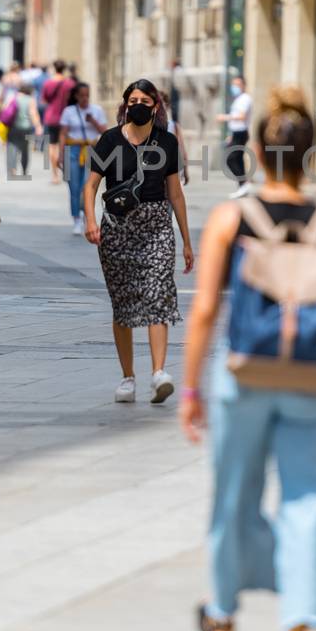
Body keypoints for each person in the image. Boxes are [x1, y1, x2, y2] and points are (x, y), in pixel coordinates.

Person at [179, 85, 316, 631]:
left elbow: (207, 310)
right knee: (306, 502)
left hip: (246, 376)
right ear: (311, 157)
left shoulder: (231, 219)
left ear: (258, 155)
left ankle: (225, 615)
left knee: (234, 495)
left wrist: (190, 389)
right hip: (314, 380)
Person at [82, 79, 194, 405]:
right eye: (133, 99)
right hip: (117, 227)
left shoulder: (167, 142)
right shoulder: (109, 140)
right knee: (124, 303)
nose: (139, 104)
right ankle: (128, 377)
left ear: (156, 106)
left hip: (157, 225)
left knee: (158, 294)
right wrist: (90, 221)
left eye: (145, 99)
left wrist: (186, 240)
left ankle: (159, 374)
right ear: (125, 104)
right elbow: (90, 187)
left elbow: (175, 192)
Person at [60, 82, 108, 236]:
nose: (85, 98)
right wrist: (60, 154)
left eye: (87, 95)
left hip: (91, 150)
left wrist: (93, 121)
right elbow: (63, 133)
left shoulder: (97, 110)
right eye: (82, 95)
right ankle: (76, 219)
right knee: (73, 187)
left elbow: (105, 132)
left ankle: (86, 214)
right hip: (72, 150)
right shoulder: (69, 111)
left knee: (87, 186)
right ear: (76, 96)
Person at [218, 75, 254, 198]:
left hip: (241, 132)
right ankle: (242, 186)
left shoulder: (245, 99)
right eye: (234, 84)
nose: (235, 87)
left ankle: (244, 183)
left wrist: (225, 117)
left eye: (238, 84)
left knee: (231, 158)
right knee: (238, 159)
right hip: (235, 133)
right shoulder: (238, 99)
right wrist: (230, 135)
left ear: (243, 85)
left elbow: (242, 116)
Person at [41, 59, 75, 183]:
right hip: (67, 118)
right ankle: (65, 171)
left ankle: (55, 175)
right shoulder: (70, 83)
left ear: (54, 68)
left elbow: (44, 100)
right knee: (66, 146)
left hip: (51, 118)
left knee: (52, 146)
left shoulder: (48, 83)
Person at [0, 79, 38, 178]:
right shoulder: (30, 99)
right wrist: (38, 126)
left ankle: (12, 169)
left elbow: (4, 109)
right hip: (26, 128)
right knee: (25, 150)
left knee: (12, 147)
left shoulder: (12, 97)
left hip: (13, 127)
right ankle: (24, 169)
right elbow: (33, 114)